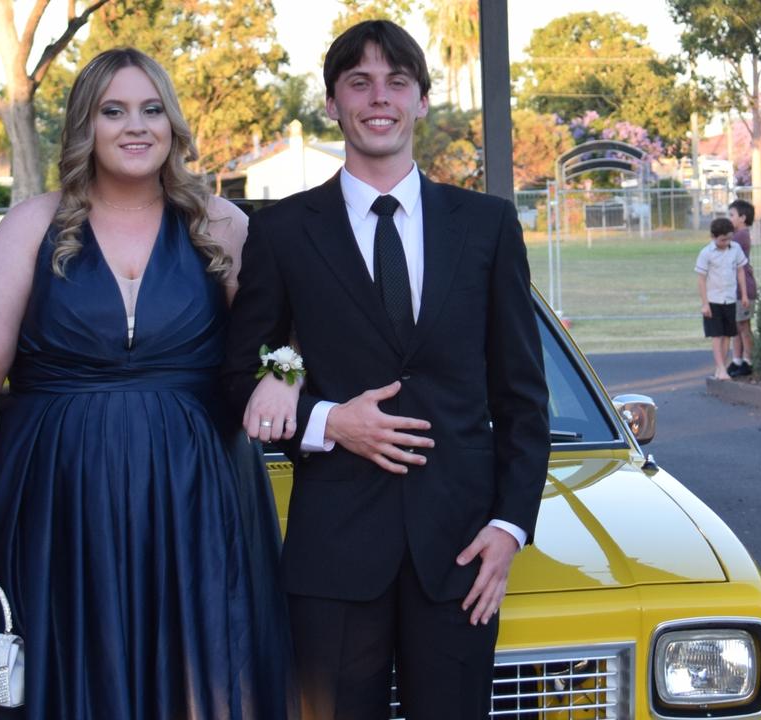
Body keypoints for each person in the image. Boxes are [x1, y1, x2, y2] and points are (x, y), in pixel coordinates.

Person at [0, 47, 296, 719]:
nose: (136, 127)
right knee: (67, 679)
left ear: (173, 124)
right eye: (114, 111)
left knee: (200, 681)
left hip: (197, 506)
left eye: (151, 109)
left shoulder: (222, 226)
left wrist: (284, 377)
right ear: (84, 127)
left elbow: (290, 334)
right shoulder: (29, 229)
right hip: (52, 508)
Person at [223, 20, 550, 720]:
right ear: (333, 103)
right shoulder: (282, 231)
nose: (379, 98)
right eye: (359, 83)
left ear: (422, 100)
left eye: (396, 82)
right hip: (333, 553)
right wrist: (326, 421)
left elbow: (521, 396)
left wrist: (509, 527)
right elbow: (237, 371)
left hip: (461, 552)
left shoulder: (486, 226)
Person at [695, 216, 750, 381]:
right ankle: (719, 366)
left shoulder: (736, 249)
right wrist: (705, 303)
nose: (726, 242)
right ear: (713, 237)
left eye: (729, 239)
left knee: (728, 334)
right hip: (713, 299)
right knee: (716, 335)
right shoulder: (706, 253)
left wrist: (744, 294)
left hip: (730, 298)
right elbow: (701, 279)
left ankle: (722, 367)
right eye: (722, 240)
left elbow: (740, 271)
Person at [727, 199, 758, 376]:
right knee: (736, 326)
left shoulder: (740, 236)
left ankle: (749, 360)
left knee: (743, 326)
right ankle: (737, 359)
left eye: (732, 215)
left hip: (744, 288)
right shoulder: (737, 235)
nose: (729, 218)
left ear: (743, 218)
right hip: (734, 288)